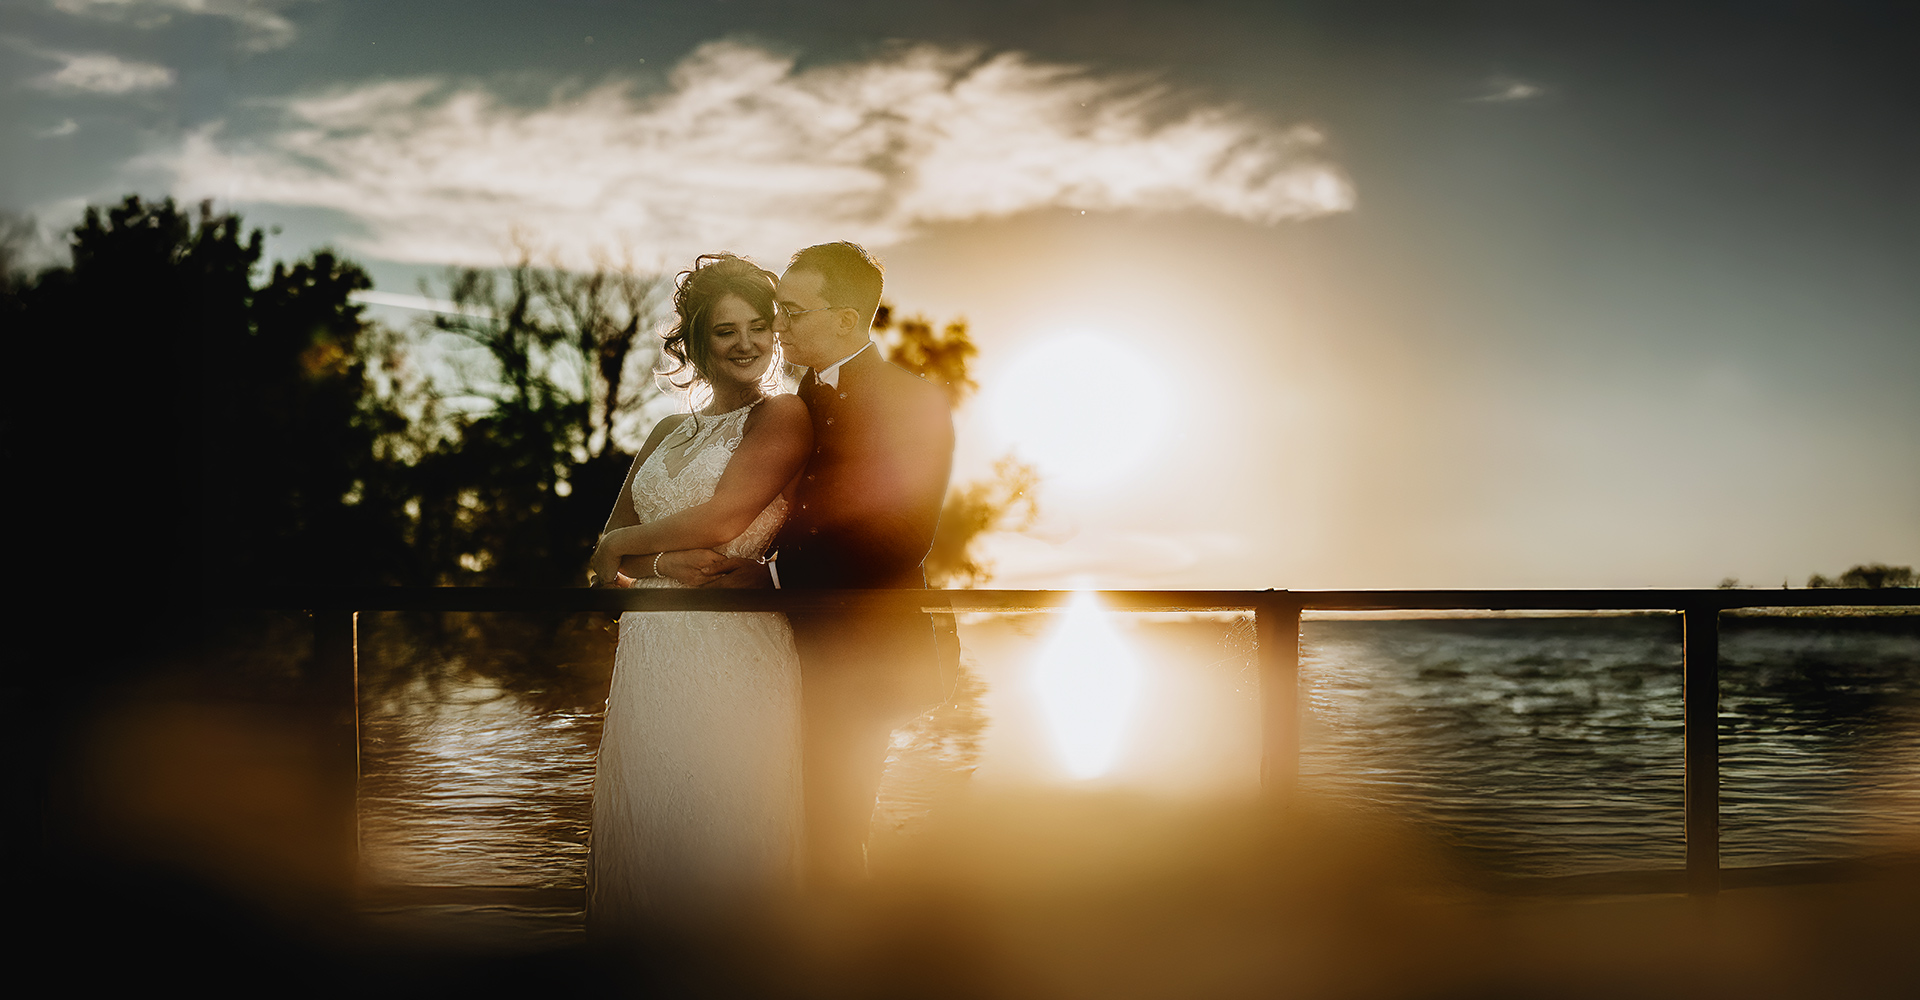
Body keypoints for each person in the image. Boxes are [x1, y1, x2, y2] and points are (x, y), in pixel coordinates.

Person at [692, 242, 955, 885]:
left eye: (791, 311)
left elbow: (900, 536)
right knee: (776, 820)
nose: (777, 325)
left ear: (844, 321)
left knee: (836, 825)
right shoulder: (794, 399)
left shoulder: (913, 402)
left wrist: (774, 577)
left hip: (860, 653)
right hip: (772, 649)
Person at [582, 253, 813, 931]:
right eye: (725, 331)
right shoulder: (663, 431)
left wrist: (624, 551)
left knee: (725, 826)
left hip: (734, 650)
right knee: (654, 824)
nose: (747, 344)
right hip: (650, 653)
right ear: (694, 342)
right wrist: (655, 563)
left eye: (760, 327)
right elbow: (605, 559)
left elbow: (721, 521)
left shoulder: (783, 417)